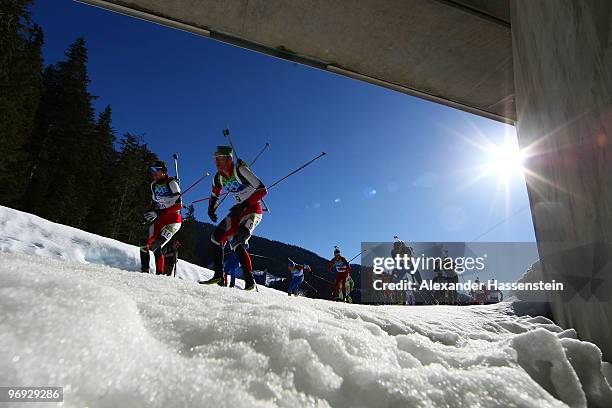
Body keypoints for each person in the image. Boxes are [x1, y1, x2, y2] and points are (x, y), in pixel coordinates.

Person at [199, 146, 267, 291]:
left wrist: (245, 204)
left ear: (230, 159)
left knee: (238, 241)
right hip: (238, 211)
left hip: (253, 209)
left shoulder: (240, 170)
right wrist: (210, 209)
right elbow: (214, 194)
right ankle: (218, 275)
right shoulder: (218, 177)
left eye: (221, 158)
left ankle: (250, 282)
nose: (217, 162)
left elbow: (262, 190)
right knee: (216, 237)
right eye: (216, 159)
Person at [140, 160, 182, 274]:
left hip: (173, 220)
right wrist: (146, 215)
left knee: (155, 245)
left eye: (155, 170)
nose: (153, 173)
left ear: (162, 171)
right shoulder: (153, 185)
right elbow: (154, 203)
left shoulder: (171, 182)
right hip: (160, 220)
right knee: (144, 242)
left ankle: (159, 274)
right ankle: (144, 271)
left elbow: (179, 205)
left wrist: (159, 213)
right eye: (151, 170)